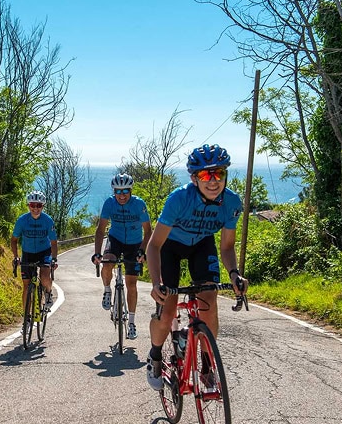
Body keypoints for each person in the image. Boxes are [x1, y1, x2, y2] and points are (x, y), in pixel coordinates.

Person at [145, 144, 248, 391]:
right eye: (205, 175)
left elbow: (226, 247)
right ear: (194, 178)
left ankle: (206, 364)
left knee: (209, 302)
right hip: (170, 246)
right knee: (167, 311)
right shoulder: (179, 199)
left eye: (218, 174)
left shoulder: (231, 202)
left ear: (225, 175)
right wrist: (156, 283)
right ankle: (155, 355)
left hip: (202, 244)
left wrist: (234, 274)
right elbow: (153, 245)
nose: (213, 181)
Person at [91, 174, 152, 340]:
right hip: (115, 240)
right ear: (114, 191)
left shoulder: (139, 204)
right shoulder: (109, 203)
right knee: (108, 261)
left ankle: (131, 322)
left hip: (134, 243)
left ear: (131, 190)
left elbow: (148, 231)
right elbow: (100, 229)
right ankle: (107, 290)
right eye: (118, 191)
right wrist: (97, 253)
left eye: (125, 191)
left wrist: (142, 250)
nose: (122, 195)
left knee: (131, 284)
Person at [11, 191, 58, 314]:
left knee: (44, 277)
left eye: (39, 205)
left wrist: (54, 259)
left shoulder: (48, 220)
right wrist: (16, 257)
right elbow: (14, 240)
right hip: (28, 253)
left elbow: (53, 242)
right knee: (26, 286)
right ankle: (26, 318)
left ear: (43, 206)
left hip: (44, 253)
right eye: (33, 205)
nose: (36, 208)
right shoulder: (22, 220)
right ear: (28, 205)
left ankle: (48, 293)